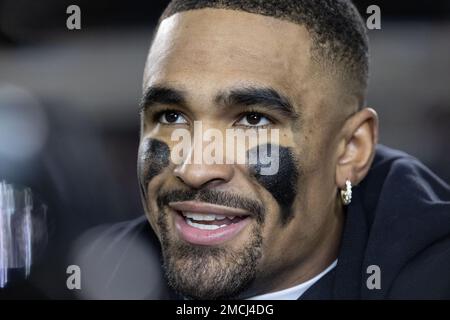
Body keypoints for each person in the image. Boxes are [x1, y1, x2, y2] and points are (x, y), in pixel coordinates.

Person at [83, 0, 450, 299]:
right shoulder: (99, 274)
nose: (194, 169)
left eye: (253, 120)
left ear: (350, 151)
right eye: (172, 115)